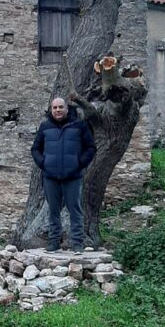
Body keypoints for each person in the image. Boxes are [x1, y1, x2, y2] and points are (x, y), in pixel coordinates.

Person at [31, 97, 96, 252]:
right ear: (51, 110)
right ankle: (53, 243)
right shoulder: (45, 127)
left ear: (67, 109)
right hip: (50, 177)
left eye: (61, 107)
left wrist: (79, 164)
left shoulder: (79, 125)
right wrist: (43, 163)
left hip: (72, 176)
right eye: (55, 108)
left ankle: (77, 244)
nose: (58, 110)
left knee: (75, 210)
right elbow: (35, 149)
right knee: (53, 211)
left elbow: (91, 148)